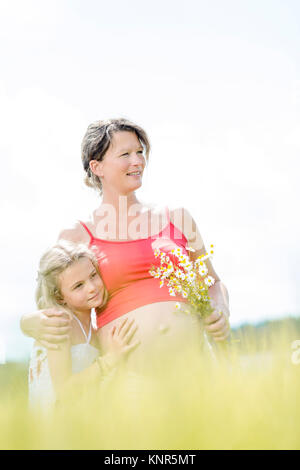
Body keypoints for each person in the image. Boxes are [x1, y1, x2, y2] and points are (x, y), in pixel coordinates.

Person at [21, 118, 230, 376]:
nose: (138, 161)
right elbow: (51, 304)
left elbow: (212, 282)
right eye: (126, 154)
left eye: (140, 152)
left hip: (194, 367)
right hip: (128, 378)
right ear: (97, 167)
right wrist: (27, 323)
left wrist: (220, 308)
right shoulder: (76, 236)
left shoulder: (179, 218)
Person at [28, 240, 139, 408]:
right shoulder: (59, 326)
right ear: (60, 298)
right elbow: (64, 392)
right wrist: (110, 359)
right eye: (79, 286)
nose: (92, 287)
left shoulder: (94, 331)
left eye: (93, 276)